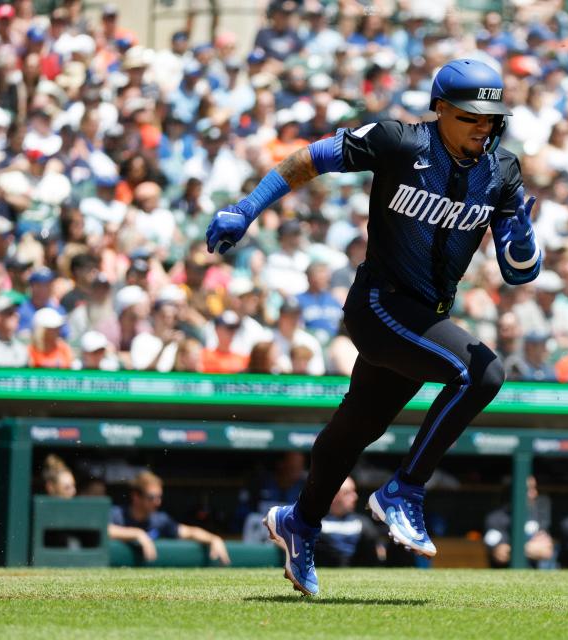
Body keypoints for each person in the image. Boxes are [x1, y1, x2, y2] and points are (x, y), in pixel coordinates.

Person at [206, 58, 540, 595]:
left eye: (491, 116)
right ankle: (405, 490)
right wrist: (247, 208)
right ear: (442, 110)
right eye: (471, 116)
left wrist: (525, 241)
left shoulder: (502, 171)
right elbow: (308, 159)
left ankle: (299, 523)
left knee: (353, 432)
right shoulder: (398, 141)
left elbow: (517, 271)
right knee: (483, 374)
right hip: (379, 305)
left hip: (423, 320)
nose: (484, 125)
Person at [109, 471, 230, 566]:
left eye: (159, 497)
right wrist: (137, 534)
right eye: (151, 497)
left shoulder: (160, 520)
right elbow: (105, 530)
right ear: (136, 496)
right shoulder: (117, 514)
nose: (157, 502)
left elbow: (190, 532)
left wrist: (214, 539)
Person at [483, 476, 554, 569]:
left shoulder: (536, 515)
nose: (535, 493)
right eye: (529, 489)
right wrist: (531, 548)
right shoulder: (495, 518)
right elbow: (500, 554)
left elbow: (546, 552)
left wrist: (512, 549)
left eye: (534, 488)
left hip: (533, 576)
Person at [315, 477, 385, 568]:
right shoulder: (314, 522)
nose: (355, 497)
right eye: (348, 493)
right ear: (333, 495)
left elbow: (374, 556)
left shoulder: (362, 523)